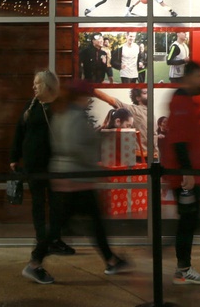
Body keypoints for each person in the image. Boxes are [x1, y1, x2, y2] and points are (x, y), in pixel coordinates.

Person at [22, 81, 130, 283]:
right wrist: (94, 158)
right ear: (81, 97)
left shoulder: (64, 113)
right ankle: (35, 263)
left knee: (90, 223)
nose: (89, 99)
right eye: (88, 96)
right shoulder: (73, 116)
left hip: (72, 178)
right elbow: (77, 147)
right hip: (75, 179)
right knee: (61, 226)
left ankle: (111, 260)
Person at [10, 70, 76, 263]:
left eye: (37, 83)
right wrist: (14, 157)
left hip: (55, 165)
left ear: (48, 86)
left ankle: (54, 239)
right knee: (38, 203)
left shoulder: (59, 107)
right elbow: (19, 132)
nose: (34, 87)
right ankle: (42, 240)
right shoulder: (31, 107)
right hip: (34, 165)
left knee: (57, 204)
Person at [161, 61, 200, 285]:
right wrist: (187, 174)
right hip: (185, 178)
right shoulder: (181, 102)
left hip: (189, 176)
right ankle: (183, 268)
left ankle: (182, 265)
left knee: (191, 218)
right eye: (199, 76)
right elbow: (179, 141)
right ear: (190, 77)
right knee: (189, 219)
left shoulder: (186, 102)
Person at [94, 87, 150, 159]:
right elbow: (112, 100)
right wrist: (91, 90)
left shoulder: (150, 112)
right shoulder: (134, 110)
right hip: (139, 156)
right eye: (145, 93)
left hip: (151, 156)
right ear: (138, 98)